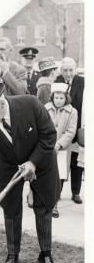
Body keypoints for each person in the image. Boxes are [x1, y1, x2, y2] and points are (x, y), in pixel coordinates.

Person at [0, 80, 60, 263]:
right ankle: (13, 254)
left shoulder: (30, 104)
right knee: (11, 209)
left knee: (43, 207)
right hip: (9, 164)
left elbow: (49, 136)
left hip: (42, 160)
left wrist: (33, 162)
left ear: (2, 104)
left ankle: (46, 254)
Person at [54, 57, 84, 204]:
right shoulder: (57, 81)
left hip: (77, 128)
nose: (68, 73)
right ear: (61, 70)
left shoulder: (82, 82)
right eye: (65, 70)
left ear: (75, 69)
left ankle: (76, 192)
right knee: (61, 164)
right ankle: (57, 192)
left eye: (71, 70)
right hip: (62, 129)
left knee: (76, 163)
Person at [45, 83, 78, 218]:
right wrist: (47, 144)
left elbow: (71, 131)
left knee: (59, 177)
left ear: (66, 98)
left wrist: (58, 145)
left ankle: (54, 204)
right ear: (52, 97)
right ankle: (43, 200)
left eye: (61, 98)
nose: (58, 101)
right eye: (56, 98)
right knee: (46, 176)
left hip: (63, 149)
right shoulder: (45, 109)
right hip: (46, 147)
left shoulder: (72, 112)